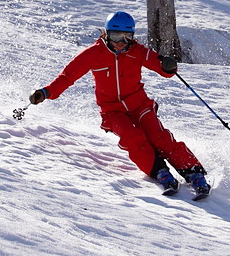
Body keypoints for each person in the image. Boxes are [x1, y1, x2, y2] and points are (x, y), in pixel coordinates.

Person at [29, 11, 211, 196]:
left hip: (139, 105)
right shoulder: (93, 54)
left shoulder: (137, 51)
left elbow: (163, 69)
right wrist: (47, 92)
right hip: (112, 111)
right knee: (132, 138)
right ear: (106, 34)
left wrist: (168, 66)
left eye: (127, 37)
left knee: (158, 136)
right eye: (116, 36)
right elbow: (68, 76)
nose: (121, 42)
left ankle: (193, 172)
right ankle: (159, 171)